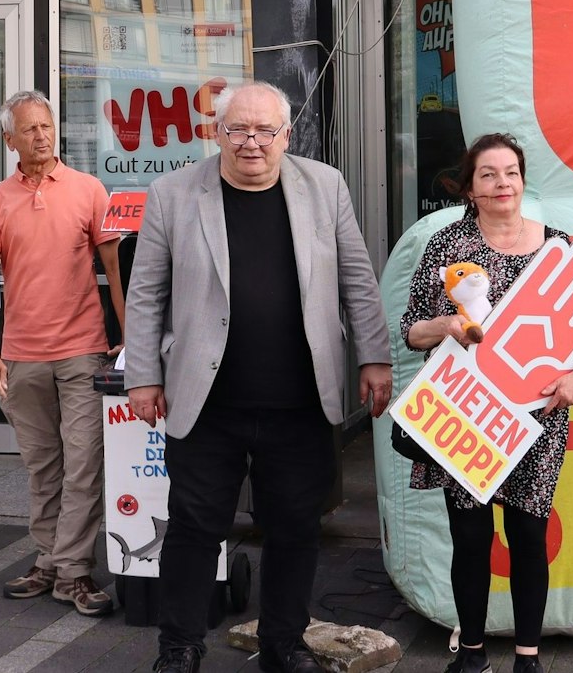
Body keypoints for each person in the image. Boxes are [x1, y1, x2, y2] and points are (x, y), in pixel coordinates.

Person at [124, 81, 394, 673]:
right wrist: (142, 375)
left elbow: (357, 278)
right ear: (216, 132)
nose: (252, 143)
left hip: (300, 400)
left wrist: (375, 356)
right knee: (194, 528)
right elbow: (146, 293)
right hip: (206, 400)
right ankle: (180, 646)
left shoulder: (325, 187)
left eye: (264, 130)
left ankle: (283, 642)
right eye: (238, 130)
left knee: (296, 528)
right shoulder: (173, 193)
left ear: (285, 134)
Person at [400, 134, 573, 673]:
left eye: (511, 173)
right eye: (488, 175)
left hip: (537, 418)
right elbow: (411, 332)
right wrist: (447, 326)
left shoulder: (561, 249)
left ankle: (528, 658)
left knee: (527, 534)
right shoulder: (447, 246)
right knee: (469, 536)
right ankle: (472, 654)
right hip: (465, 413)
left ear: (523, 181)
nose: (502, 184)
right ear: (470, 188)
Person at [0, 90, 124, 616]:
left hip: (83, 350)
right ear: (8, 138)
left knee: (83, 465)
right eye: (29, 128)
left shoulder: (88, 189)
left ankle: (74, 573)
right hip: (21, 355)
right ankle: (49, 560)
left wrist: (127, 335)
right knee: (43, 467)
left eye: (46, 125)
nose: (41, 135)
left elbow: (113, 268)